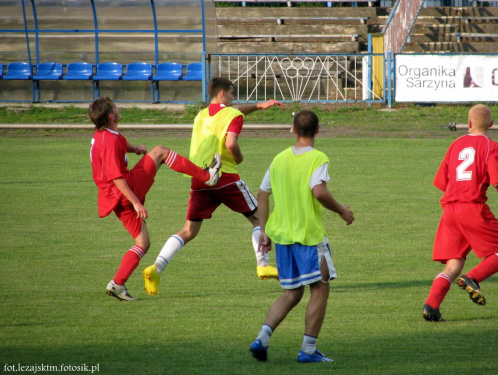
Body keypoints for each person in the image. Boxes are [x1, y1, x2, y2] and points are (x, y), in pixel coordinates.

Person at [142, 77, 285, 295]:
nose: (234, 97)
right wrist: (239, 158)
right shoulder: (233, 114)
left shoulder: (200, 115)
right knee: (259, 218)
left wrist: (258, 106)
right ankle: (263, 265)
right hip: (224, 176)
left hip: (200, 179)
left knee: (189, 230)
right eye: (232, 93)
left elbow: (231, 113)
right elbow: (230, 141)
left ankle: (156, 268)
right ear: (223, 94)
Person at [89, 97, 221, 301]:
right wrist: (136, 202)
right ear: (111, 116)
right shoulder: (110, 140)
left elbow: (119, 145)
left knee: (142, 242)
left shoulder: (103, 134)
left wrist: (136, 149)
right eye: (116, 106)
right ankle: (208, 176)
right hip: (125, 190)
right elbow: (116, 177)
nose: (119, 106)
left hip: (113, 198)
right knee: (161, 152)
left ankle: (117, 283)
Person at [249, 110, 354, 363]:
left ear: (293, 130)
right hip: (309, 237)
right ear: (318, 130)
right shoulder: (318, 158)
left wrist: (263, 231)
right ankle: (308, 350)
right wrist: (342, 210)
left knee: (292, 293)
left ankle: (262, 338)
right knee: (320, 289)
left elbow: (262, 194)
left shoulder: (279, 159)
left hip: (283, 238)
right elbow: (319, 192)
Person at [422, 104, 498, 322]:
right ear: (492, 124)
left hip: (449, 209)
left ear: (468, 123)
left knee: (454, 263)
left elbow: (442, 181)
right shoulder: (491, 146)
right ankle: (473, 278)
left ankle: (431, 306)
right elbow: (497, 182)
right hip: (472, 207)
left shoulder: (455, 144)